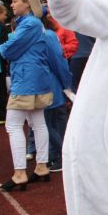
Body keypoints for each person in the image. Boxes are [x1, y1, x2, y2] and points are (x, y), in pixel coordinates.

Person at [0, 0, 53, 191]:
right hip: (36, 78)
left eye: (14, 1)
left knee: (13, 125)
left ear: (27, 3)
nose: (11, 5)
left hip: (25, 79)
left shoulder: (29, 24)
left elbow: (7, 50)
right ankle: (41, 167)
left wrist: (5, 47)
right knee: (37, 123)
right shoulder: (33, 23)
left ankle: (20, 172)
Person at [26, 12, 73, 173]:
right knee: (51, 122)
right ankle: (59, 154)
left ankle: (60, 156)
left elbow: (58, 61)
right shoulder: (43, 35)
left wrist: (65, 82)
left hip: (49, 85)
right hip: (47, 85)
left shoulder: (46, 35)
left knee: (48, 122)